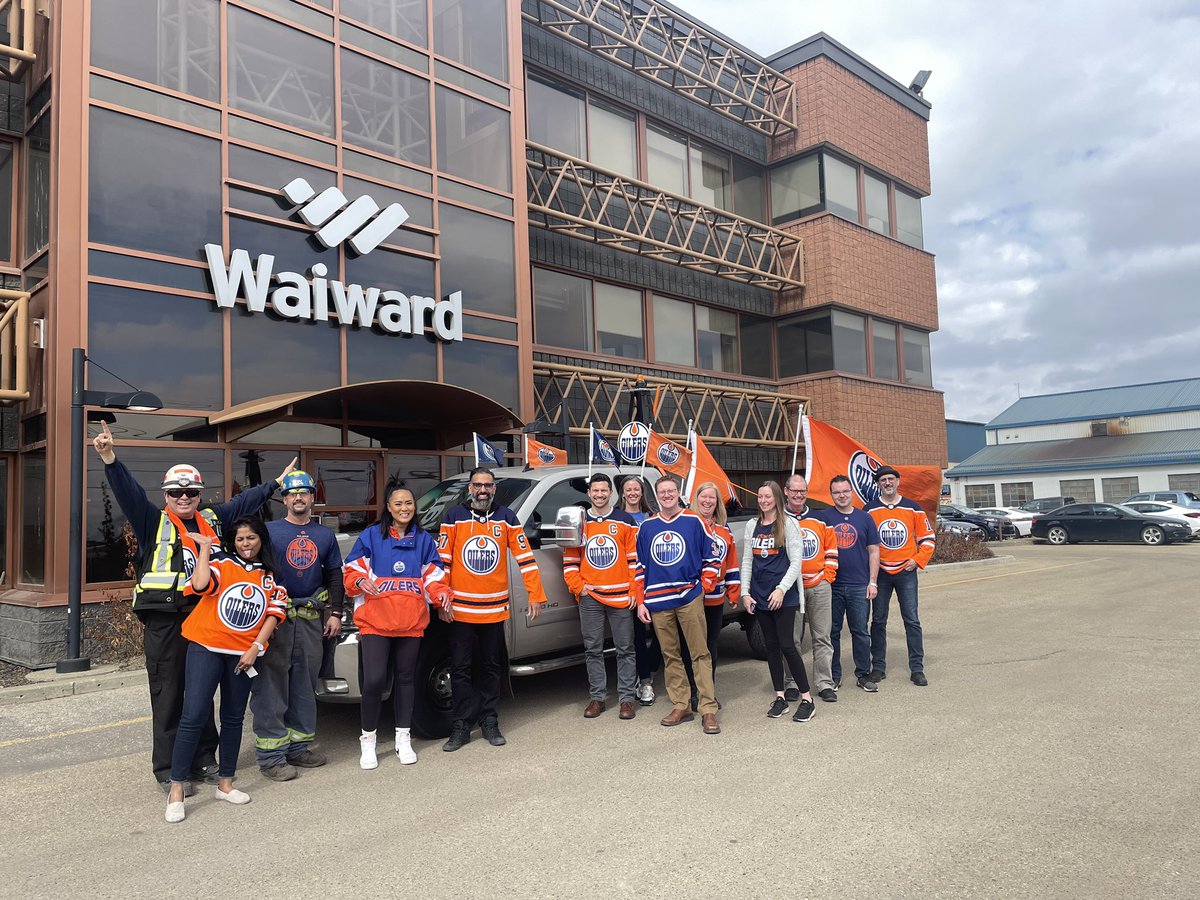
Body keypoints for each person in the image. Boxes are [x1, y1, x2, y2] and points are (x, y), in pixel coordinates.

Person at [91, 421, 293, 795]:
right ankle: (168, 769)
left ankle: (202, 757)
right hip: (167, 619)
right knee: (169, 693)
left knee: (202, 692)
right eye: (176, 492)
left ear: (199, 494)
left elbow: (244, 503)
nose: (183, 498)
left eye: (190, 492)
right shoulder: (154, 521)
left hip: (205, 616)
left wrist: (276, 486)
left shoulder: (213, 519)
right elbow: (128, 492)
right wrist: (109, 457)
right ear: (166, 494)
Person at [165, 516, 287, 823]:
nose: (246, 544)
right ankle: (176, 788)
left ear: (262, 540)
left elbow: (274, 612)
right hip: (206, 647)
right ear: (233, 542)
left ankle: (226, 783)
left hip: (243, 655)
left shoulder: (269, 576)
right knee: (193, 715)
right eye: (240, 539)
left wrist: (255, 648)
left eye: (252, 538)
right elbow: (200, 585)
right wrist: (205, 549)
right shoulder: (222, 564)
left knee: (233, 718)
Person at [438, 467, 547, 751]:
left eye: (487, 485)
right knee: (460, 669)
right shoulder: (453, 517)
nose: (482, 490)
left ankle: (489, 719)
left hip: (494, 610)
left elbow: (525, 558)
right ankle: (462, 724)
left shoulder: (506, 518)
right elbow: (443, 563)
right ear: (469, 488)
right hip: (460, 610)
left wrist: (536, 595)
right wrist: (442, 601)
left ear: (494, 489)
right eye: (477, 485)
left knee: (490, 667)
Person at [344, 482, 450, 769]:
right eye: (399, 504)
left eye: (409, 504)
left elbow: (433, 577)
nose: (405, 509)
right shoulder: (370, 537)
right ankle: (368, 740)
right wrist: (357, 581)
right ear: (388, 508)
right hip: (376, 622)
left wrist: (442, 595)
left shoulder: (424, 540)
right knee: (375, 681)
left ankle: (403, 738)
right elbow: (351, 570)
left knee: (406, 680)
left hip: (411, 623)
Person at [253, 470, 345, 781]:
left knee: (303, 687)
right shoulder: (269, 532)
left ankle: (298, 747)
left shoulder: (324, 536)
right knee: (271, 687)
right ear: (284, 499)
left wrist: (335, 612)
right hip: (276, 619)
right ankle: (271, 756)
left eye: (304, 492)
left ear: (312, 497)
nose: (299, 497)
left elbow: (335, 576)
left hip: (310, 620)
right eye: (293, 493)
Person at [634, 476, 722, 734]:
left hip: (688, 598)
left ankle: (708, 709)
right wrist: (641, 601)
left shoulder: (694, 521)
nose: (667, 495)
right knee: (670, 656)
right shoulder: (647, 527)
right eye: (662, 491)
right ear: (656, 496)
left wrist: (703, 587)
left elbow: (713, 556)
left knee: (700, 653)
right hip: (658, 602)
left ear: (678, 494)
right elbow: (639, 568)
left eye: (671, 490)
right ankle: (681, 704)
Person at [563, 473, 640, 720]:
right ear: (589, 493)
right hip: (591, 598)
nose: (599, 495)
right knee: (592, 649)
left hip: (620, 598)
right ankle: (598, 698)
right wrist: (581, 588)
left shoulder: (625, 520)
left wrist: (632, 590)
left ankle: (627, 698)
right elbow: (570, 561)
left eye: (604, 490)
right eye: (595, 491)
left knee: (626, 649)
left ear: (611, 493)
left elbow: (634, 560)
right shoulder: (578, 521)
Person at [740, 481, 813, 723]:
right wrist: (745, 592)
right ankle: (780, 697)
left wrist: (781, 590)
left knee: (787, 646)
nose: (763, 500)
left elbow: (796, 563)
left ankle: (807, 700)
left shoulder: (788, 523)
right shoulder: (752, 525)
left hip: (783, 597)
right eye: (760, 496)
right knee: (771, 647)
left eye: (768, 496)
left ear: (777, 498)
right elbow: (748, 562)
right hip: (760, 597)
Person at [864, 466, 935, 686]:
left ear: (897, 481)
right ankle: (878, 667)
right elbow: (864, 543)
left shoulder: (912, 508)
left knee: (912, 620)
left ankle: (917, 668)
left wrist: (918, 559)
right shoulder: (869, 510)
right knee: (878, 621)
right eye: (883, 479)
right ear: (878, 484)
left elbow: (928, 538)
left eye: (891, 479)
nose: (887, 483)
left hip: (906, 572)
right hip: (881, 573)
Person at [816, 475, 881, 693]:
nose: (841, 495)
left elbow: (874, 551)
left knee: (860, 631)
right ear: (831, 494)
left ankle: (863, 674)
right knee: (831, 632)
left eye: (845, 491)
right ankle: (833, 675)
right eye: (836, 492)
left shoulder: (865, 518)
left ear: (851, 492)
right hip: (830, 585)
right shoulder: (823, 518)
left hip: (859, 585)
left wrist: (872, 582)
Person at [783, 474, 838, 703]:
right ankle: (792, 682)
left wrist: (827, 576)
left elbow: (831, 550)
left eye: (802, 491)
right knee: (791, 640)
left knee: (822, 637)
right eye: (794, 491)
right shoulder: (778, 519)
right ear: (786, 492)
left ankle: (824, 682)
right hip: (791, 589)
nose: (799, 495)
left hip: (818, 585)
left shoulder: (820, 518)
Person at [687, 482, 741, 696]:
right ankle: (691, 693)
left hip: (714, 599)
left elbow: (732, 562)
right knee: (688, 646)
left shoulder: (723, 530)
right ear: (696, 499)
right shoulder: (687, 525)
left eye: (712, 498)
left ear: (717, 503)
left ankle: (707, 693)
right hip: (689, 598)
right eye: (704, 497)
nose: (707, 501)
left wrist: (733, 591)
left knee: (710, 647)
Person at [620, 475, 660, 706]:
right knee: (635, 635)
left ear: (642, 492)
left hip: (654, 581)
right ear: (623, 493)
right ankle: (643, 679)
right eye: (629, 489)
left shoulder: (652, 517)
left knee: (660, 633)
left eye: (637, 489)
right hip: (630, 584)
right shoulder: (618, 517)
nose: (633, 492)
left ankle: (652, 668)